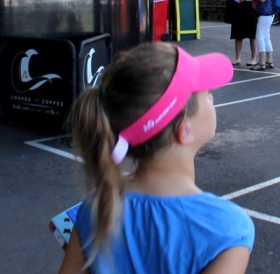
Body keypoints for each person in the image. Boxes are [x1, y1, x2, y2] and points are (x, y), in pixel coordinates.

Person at [59, 42, 255, 274]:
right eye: (207, 95)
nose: (212, 100)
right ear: (184, 130)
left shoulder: (96, 206)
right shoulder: (227, 228)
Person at [242, 0, 275, 70]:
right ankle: (269, 60)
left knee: (260, 36)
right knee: (265, 36)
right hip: (267, 13)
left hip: (266, 13)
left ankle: (262, 63)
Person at [224, 0, 258, 66]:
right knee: (238, 36)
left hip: (249, 12)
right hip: (237, 12)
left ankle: (253, 58)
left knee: (252, 36)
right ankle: (238, 58)